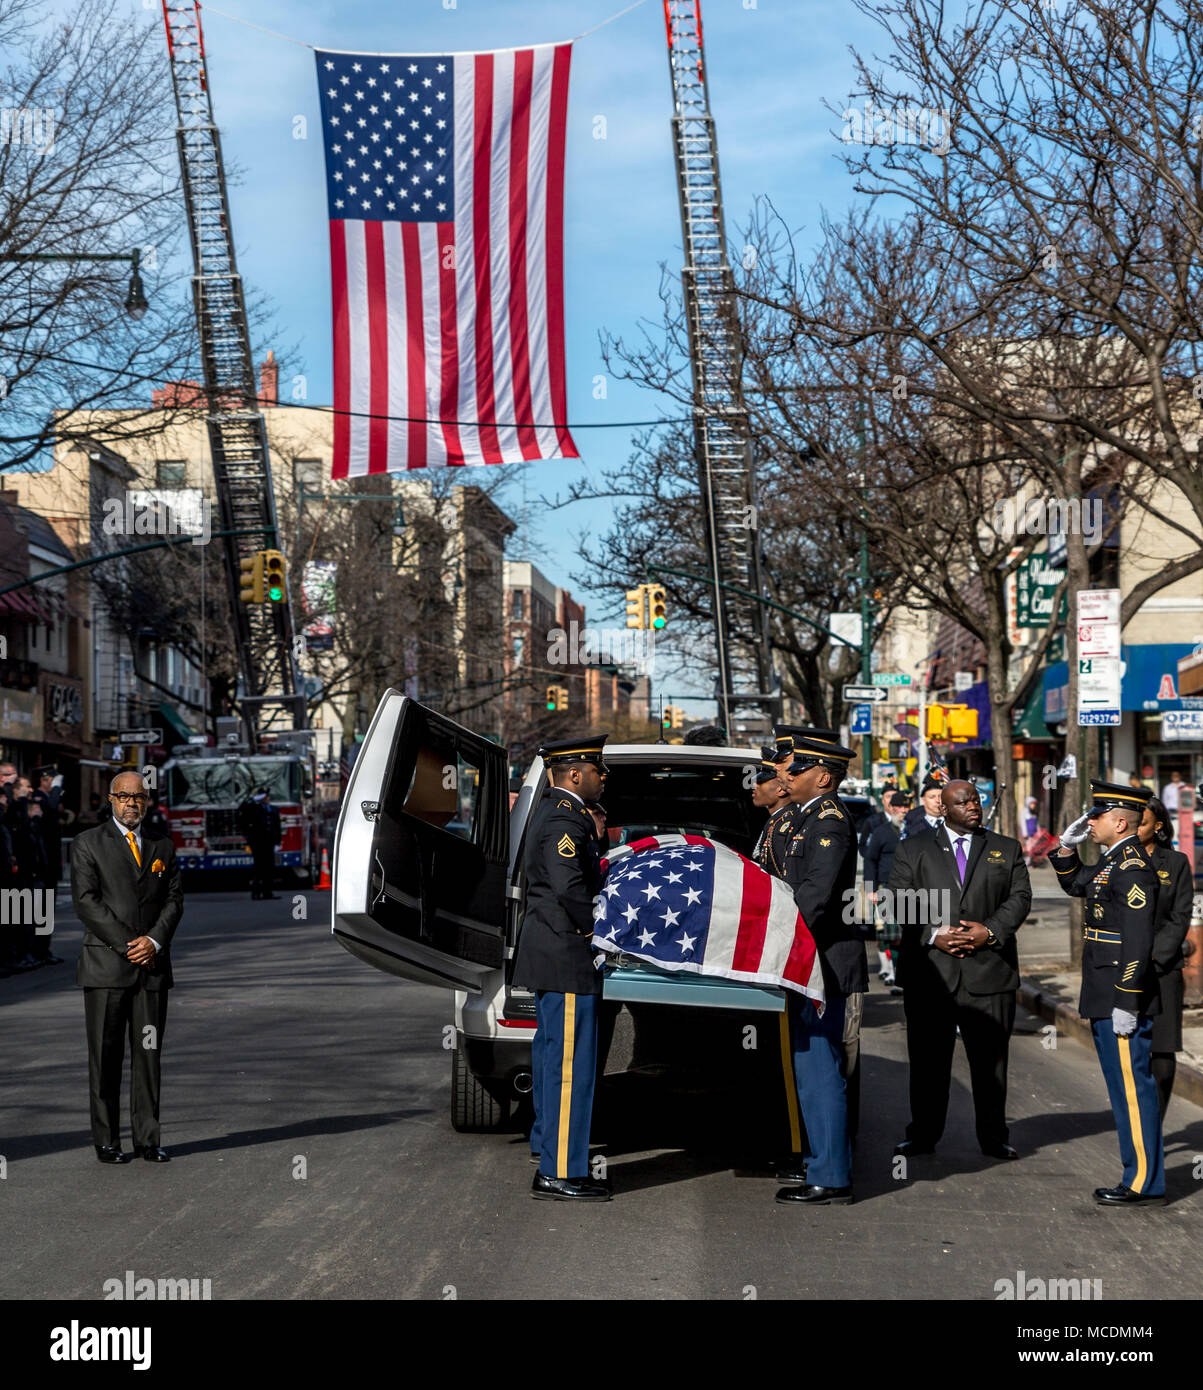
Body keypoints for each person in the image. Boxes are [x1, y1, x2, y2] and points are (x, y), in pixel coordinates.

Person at [887, 780, 1031, 1161]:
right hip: (931, 976)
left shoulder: (1006, 848)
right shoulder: (913, 848)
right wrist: (933, 935)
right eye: (962, 801)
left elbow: (1020, 897)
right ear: (944, 810)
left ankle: (993, 1138)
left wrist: (991, 930)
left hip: (989, 974)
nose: (973, 806)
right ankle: (922, 1136)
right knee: (928, 1063)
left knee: (991, 1065)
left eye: (976, 800)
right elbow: (898, 900)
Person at [1051, 781, 1164, 1206]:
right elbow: (1078, 884)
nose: (1090, 822)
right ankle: (1138, 1176)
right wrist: (1065, 848)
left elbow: (1137, 941)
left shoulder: (1132, 867)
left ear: (1120, 822)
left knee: (1133, 1090)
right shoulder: (1112, 862)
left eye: (1096, 816)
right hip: (1104, 988)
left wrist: (1126, 1000)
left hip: (1119, 991)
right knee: (1123, 1089)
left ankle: (1143, 1183)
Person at [513, 735, 612, 1202]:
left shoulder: (555, 813)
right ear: (576, 774)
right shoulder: (564, 819)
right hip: (567, 956)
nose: (603, 777)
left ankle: (549, 1150)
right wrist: (604, 930)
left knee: (554, 1060)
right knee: (571, 1068)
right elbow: (571, 888)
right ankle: (561, 1172)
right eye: (598, 769)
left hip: (554, 954)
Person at [69, 770, 183, 1164]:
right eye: (124, 797)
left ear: (147, 801)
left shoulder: (162, 846)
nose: (132, 803)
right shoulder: (87, 844)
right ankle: (107, 1141)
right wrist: (127, 944)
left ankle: (148, 1139)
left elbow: (173, 900)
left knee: (148, 1057)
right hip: (106, 968)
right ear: (111, 799)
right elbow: (86, 901)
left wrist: (153, 941)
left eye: (139, 797)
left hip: (151, 967)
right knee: (106, 1056)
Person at [774, 733, 867, 1206]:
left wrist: (775, 941)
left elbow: (814, 896)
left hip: (824, 961)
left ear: (823, 777)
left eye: (797, 770)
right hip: (810, 957)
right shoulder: (805, 818)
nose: (787, 776)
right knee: (809, 1066)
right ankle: (819, 1163)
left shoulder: (828, 822)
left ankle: (831, 1177)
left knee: (819, 1068)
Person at [1137, 796, 1194, 1119]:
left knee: (1162, 1049)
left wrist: (1153, 958)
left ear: (1158, 827)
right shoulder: (1118, 860)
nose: (1134, 828)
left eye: (1141, 823)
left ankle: (1154, 1123)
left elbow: (1179, 916)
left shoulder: (1176, 863)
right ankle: (1135, 1121)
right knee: (1133, 1053)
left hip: (1162, 970)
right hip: (1124, 971)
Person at [864, 791, 908, 989]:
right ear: (892, 808)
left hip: (910, 890)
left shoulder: (913, 830)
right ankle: (890, 972)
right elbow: (870, 860)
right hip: (885, 888)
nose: (904, 811)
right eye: (900, 807)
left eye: (907, 807)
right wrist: (870, 889)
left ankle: (900, 974)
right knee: (888, 936)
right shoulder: (881, 832)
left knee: (905, 935)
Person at [238, 786, 281, 900]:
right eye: (265, 796)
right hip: (258, 842)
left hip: (269, 842)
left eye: (267, 796)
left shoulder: (273, 809)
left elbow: (276, 826)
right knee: (259, 868)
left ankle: (268, 892)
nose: (267, 798)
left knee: (269, 867)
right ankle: (256, 892)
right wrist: (252, 799)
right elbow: (242, 811)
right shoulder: (254, 808)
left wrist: (278, 842)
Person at [903, 774, 945, 839]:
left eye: (941, 796)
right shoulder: (913, 830)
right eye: (932, 797)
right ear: (923, 800)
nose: (938, 800)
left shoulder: (955, 826)